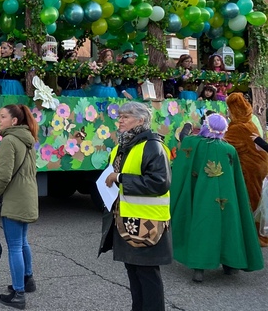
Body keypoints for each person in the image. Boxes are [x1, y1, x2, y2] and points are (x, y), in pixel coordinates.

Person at [170, 113, 264, 282]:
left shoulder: (193, 143)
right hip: (228, 196)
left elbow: (183, 143)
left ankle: (199, 267)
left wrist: (187, 128)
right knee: (229, 225)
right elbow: (236, 177)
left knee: (202, 224)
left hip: (201, 195)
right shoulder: (229, 149)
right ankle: (230, 264)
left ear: (205, 126)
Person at [99, 102, 172, 311]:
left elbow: (159, 182)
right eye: (120, 116)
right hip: (126, 220)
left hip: (148, 223)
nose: (120, 120)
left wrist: (120, 177)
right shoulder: (122, 146)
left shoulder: (152, 146)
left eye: (126, 117)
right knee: (134, 272)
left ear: (141, 121)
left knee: (148, 276)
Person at [0, 104, 39, 310]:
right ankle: (28, 280)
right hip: (28, 196)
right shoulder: (28, 140)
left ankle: (18, 293)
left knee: (15, 246)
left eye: (2, 117)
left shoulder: (9, 141)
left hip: (14, 198)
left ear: (14, 121)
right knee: (22, 242)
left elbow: (3, 176)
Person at [224, 92, 268, 247]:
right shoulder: (248, 123)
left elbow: (225, 145)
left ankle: (257, 235)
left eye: (229, 109)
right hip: (258, 166)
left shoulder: (239, 127)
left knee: (253, 198)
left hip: (252, 168)